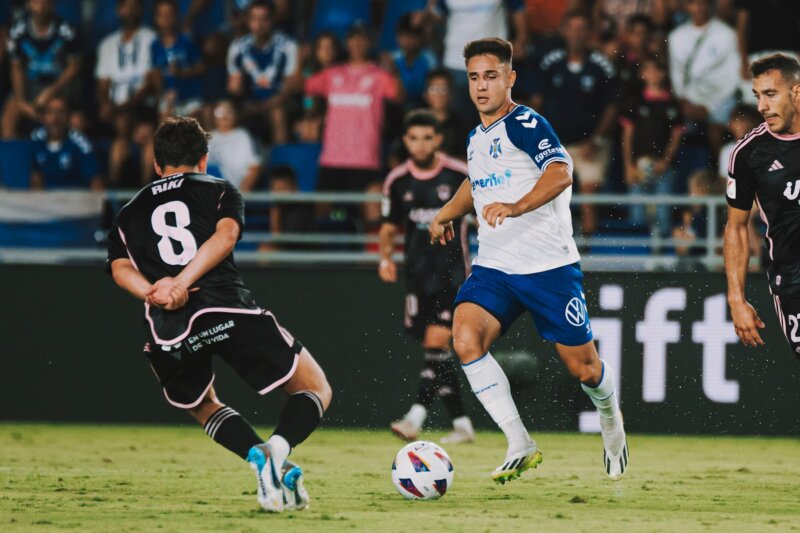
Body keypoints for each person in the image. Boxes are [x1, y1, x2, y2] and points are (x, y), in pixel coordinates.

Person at [106, 116, 332, 512]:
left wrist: (156, 292)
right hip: (226, 306)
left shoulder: (127, 212)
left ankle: (257, 456)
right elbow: (226, 236)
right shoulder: (220, 189)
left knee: (202, 404)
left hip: (168, 329)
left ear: (157, 165)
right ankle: (277, 452)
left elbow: (119, 268)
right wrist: (183, 280)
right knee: (315, 388)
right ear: (204, 160)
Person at [429, 38, 628, 483]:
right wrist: (447, 212)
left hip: (547, 268)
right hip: (496, 267)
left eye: (491, 76)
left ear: (510, 78)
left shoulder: (526, 122)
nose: (482, 86)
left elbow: (561, 171)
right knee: (465, 339)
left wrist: (517, 207)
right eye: (474, 77)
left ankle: (611, 420)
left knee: (586, 369)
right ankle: (519, 441)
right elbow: (477, 185)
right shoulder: (476, 137)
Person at [379, 110, 475, 444]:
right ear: (406, 141)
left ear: (438, 139)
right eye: (414, 138)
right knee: (438, 353)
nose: (420, 144)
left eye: (427, 137)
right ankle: (462, 425)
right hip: (417, 276)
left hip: (454, 275)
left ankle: (414, 419)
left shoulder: (460, 174)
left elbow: (487, 214)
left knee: (437, 343)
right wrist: (385, 258)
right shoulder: (397, 180)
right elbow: (390, 227)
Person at [724, 54, 800, 358]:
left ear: (796, 92)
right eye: (757, 96)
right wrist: (736, 300)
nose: (761, 106)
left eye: (770, 94)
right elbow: (736, 228)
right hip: (794, 283)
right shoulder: (749, 154)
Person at [531, 10, 618, 237]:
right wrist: (541, 138)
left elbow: (612, 107)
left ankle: (588, 253)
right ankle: (554, 250)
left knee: (588, 199)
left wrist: (596, 139)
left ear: (589, 33)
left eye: (582, 29)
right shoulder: (551, 63)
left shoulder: (601, 65)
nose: (576, 34)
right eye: (572, 28)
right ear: (563, 31)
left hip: (591, 144)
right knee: (551, 199)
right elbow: (537, 102)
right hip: (556, 145)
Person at [96, 0, 158, 188]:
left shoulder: (151, 38)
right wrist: (105, 104)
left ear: (141, 10)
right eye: (125, 6)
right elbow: (103, 84)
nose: (129, 11)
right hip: (116, 110)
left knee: (147, 138)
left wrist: (122, 107)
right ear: (118, 10)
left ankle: (146, 190)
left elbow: (150, 82)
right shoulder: (107, 44)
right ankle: (113, 191)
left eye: (134, 6)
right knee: (119, 141)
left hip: (143, 107)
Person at [668, 0, 740, 160]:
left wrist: (709, 106)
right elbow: (677, 74)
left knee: (716, 132)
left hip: (720, 99)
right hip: (689, 100)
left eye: (703, 3)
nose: (699, 8)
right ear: (687, 6)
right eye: (693, 3)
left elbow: (732, 74)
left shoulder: (726, 33)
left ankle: (720, 174)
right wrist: (685, 101)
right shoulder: (676, 37)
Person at [619, 55, 683, 232]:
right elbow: (627, 136)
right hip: (638, 164)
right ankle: (639, 256)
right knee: (637, 212)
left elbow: (676, 136)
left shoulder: (672, 102)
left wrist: (665, 161)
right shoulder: (634, 101)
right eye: (649, 70)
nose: (653, 74)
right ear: (642, 74)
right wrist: (628, 166)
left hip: (664, 166)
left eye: (657, 70)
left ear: (663, 73)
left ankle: (660, 255)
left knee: (663, 211)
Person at [3, 0, 81, 139]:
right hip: (30, 86)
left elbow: (74, 67)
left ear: (53, 4)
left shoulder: (67, 29)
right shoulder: (17, 30)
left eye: (45, 2)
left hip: (59, 86)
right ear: (27, 4)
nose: (40, 5)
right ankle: (12, 158)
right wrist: (21, 101)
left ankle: (69, 156)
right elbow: (16, 67)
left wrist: (51, 91)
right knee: (9, 115)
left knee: (76, 121)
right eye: (35, 1)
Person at [227, 0, 300, 144]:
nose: (258, 25)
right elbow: (234, 89)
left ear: (273, 19)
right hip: (251, 103)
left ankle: (279, 162)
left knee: (277, 113)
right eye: (254, 19)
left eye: (264, 19)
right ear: (247, 21)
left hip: (280, 103)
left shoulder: (288, 46)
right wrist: (234, 108)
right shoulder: (238, 47)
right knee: (220, 112)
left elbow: (287, 92)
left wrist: (257, 108)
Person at [30, 96, 101, 190]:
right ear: (43, 117)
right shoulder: (36, 139)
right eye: (51, 112)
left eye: (61, 112)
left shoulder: (79, 142)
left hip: (74, 199)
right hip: (45, 201)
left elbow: (95, 181)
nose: (55, 119)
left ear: (69, 117)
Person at [149, 0, 205, 121]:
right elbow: (156, 73)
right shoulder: (155, 46)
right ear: (155, 18)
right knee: (166, 125)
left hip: (190, 97)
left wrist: (182, 73)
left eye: (169, 15)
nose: (165, 19)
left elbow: (201, 67)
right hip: (169, 98)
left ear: (176, 17)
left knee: (193, 125)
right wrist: (162, 96)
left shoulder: (186, 41)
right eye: (161, 15)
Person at [207, 99, 261, 191]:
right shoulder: (210, 137)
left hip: (234, 187)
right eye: (220, 112)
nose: (224, 116)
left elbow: (255, 167)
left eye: (228, 112)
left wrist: (242, 193)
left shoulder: (243, 136)